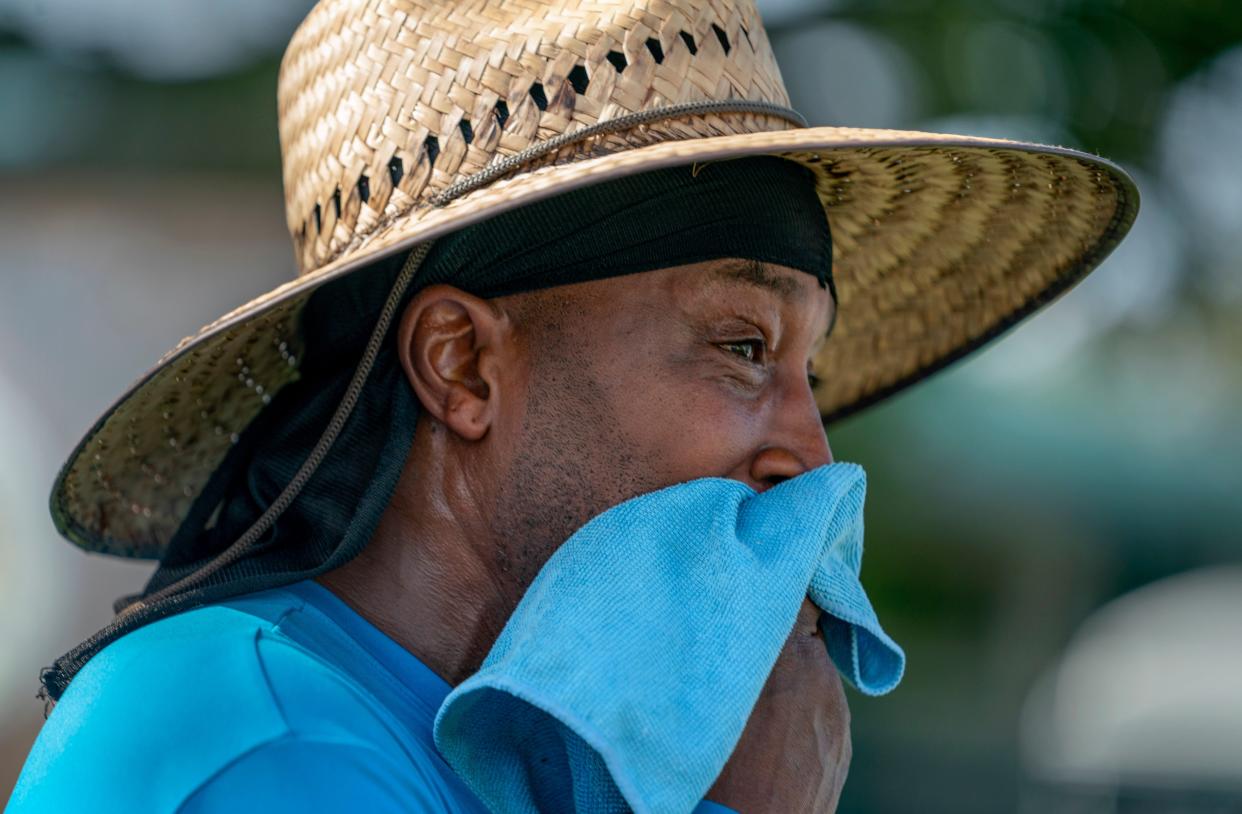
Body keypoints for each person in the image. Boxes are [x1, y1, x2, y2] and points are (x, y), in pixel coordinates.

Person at [8, 0, 1137, 811]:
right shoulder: (261, 748)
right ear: (463, 368)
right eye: (742, 347)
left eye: (812, 372)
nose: (810, 449)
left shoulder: (532, 754)